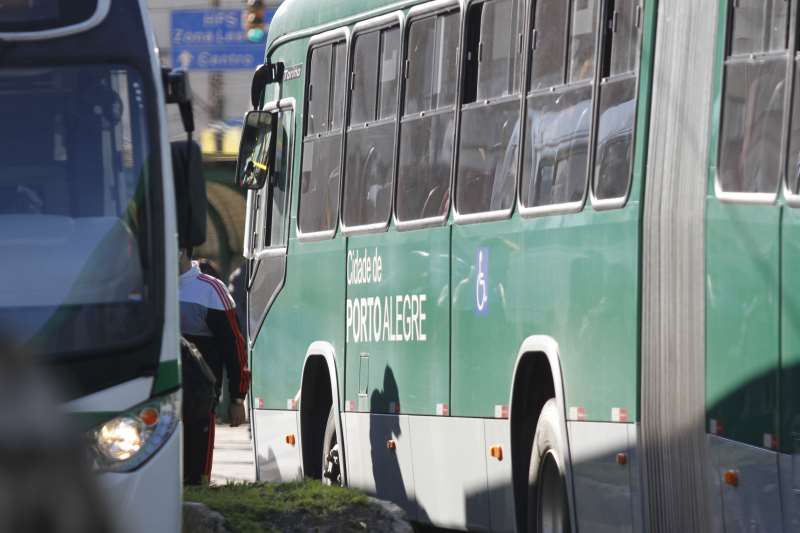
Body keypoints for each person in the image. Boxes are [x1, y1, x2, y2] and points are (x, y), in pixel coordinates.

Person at [179, 249, 251, 485]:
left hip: (199, 396)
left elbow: (234, 347)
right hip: (153, 392)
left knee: (194, 477)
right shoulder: (146, 283)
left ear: (181, 251)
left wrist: (237, 398)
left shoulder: (210, 290)